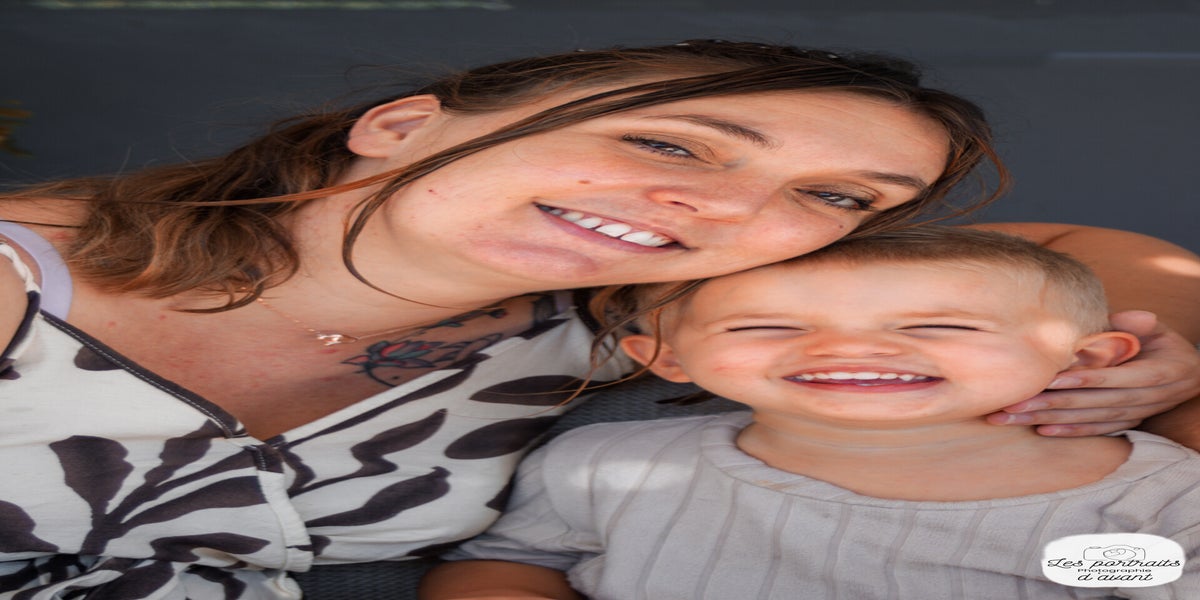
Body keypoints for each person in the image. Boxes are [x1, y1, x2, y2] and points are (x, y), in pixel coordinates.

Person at [0, 40, 1198, 598]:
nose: (731, 209)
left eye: (836, 199)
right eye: (671, 144)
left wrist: (1148, 357)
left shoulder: (627, 315)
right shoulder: (22, 279)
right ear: (403, 125)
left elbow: (1081, 255)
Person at [428, 226, 1200, 600]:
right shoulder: (605, 467)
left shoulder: (1155, 505)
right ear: (665, 358)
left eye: (940, 325)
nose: (846, 347)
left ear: (1086, 359)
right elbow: (510, 566)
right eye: (767, 326)